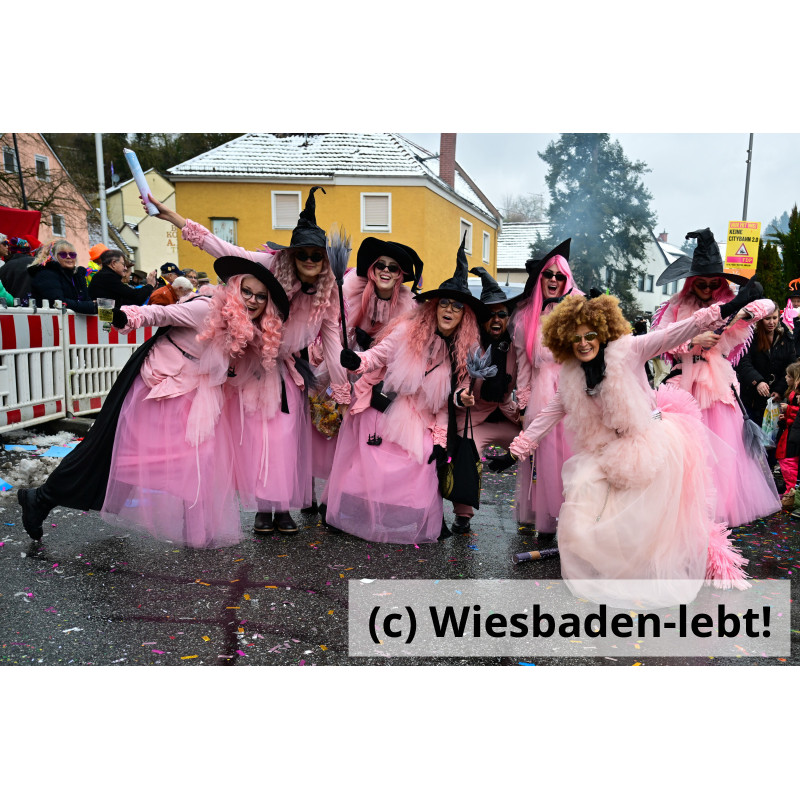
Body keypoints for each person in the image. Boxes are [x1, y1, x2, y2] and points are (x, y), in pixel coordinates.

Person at [499, 287, 760, 609]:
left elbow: (676, 332)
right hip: (606, 450)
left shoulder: (630, 350)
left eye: (590, 335)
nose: (583, 343)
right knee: (582, 487)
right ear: (565, 339)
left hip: (649, 441)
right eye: (576, 337)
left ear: (603, 332)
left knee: (642, 514)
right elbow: (549, 414)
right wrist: (516, 451)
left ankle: (638, 567)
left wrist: (729, 307)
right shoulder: (570, 377)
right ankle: (605, 561)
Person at [18, 255, 290, 548]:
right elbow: (160, 315)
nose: (251, 300)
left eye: (260, 297)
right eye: (246, 291)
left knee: (203, 459)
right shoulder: (206, 309)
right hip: (161, 386)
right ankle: (40, 498)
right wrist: (126, 316)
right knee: (110, 455)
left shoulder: (248, 327)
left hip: (199, 393)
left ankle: (196, 531)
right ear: (234, 288)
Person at [144, 185, 350, 534]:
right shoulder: (269, 265)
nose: (311, 261)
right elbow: (218, 246)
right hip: (252, 364)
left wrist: (342, 388)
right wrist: (173, 217)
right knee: (258, 437)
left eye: (317, 255)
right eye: (304, 254)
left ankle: (282, 507)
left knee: (285, 438)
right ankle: (262, 508)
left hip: (287, 370)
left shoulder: (328, 292)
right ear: (292, 255)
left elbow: (331, 340)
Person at [325, 234, 486, 544]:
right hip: (384, 403)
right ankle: (355, 515)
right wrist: (355, 360)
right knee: (370, 452)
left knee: (425, 457)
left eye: (457, 307)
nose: (449, 310)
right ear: (436, 307)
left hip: (424, 417)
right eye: (445, 304)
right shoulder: (407, 328)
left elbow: (449, 402)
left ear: (464, 315)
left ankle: (410, 520)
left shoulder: (466, 353)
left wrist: (461, 400)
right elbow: (377, 356)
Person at [651, 228, 781, 526]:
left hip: (718, 384)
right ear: (691, 282)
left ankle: (715, 509)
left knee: (721, 450)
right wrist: (696, 340)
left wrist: (743, 311)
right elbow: (661, 339)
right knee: (681, 447)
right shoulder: (674, 307)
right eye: (701, 283)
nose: (708, 289)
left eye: (713, 283)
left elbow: (769, 306)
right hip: (683, 382)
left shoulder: (730, 303)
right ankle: (682, 504)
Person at [511, 239, 582, 543]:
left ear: (567, 280)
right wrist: (523, 400)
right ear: (539, 278)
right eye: (548, 275)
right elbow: (524, 365)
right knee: (542, 458)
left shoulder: (579, 311)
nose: (553, 280)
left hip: (570, 392)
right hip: (541, 394)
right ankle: (543, 517)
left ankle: (574, 517)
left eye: (560, 276)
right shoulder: (526, 316)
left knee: (571, 455)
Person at [448, 266, 521, 534]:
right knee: (468, 453)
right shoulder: (473, 346)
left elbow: (525, 383)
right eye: (490, 315)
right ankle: (463, 515)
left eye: (502, 314)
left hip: (506, 415)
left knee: (539, 447)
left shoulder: (516, 348)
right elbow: (462, 383)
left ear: (508, 318)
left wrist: (525, 412)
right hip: (475, 419)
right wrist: (462, 397)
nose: (496, 319)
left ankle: (535, 512)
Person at [735, 306, 796, 424]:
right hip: (752, 398)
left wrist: (780, 390)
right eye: (767, 318)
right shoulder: (750, 337)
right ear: (760, 319)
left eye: (775, 318)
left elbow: (791, 367)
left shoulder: (787, 338)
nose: (771, 322)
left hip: (775, 399)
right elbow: (743, 362)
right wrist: (757, 381)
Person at [28, 239, 97, 314]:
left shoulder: (77, 275)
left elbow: (86, 300)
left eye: (72, 254)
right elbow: (58, 302)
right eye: (63, 254)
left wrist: (92, 305)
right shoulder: (46, 274)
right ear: (53, 257)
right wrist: (90, 306)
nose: (68, 257)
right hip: (51, 322)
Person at [88, 249, 158, 306]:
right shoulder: (107, 277)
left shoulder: (106, 276)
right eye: (123, 264)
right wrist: (149, 285)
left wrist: (149, 288)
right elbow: (135, 296)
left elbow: (132, 301)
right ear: (113, 263)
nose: (125, 268)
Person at [776, 361, 800, 508]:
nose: (785, 377)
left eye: (788, 375)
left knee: (789, 462)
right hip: (790, 431)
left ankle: (790, 492)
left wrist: (789, 410)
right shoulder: (791, 392)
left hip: (793, 434)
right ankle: (789, 490)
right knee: (786, 461)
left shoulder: (795, 394)